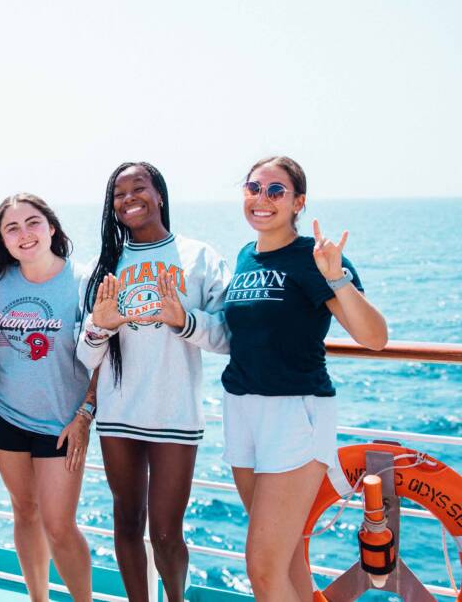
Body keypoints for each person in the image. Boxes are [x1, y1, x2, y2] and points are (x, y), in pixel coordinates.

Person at [222, 156, 386, 601]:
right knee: (287, 561)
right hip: (241, 410)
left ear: (299, 202)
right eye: (254, 188)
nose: (262, 199)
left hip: (295, 413)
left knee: (262, 569)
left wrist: (337, 278)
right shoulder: (244, 255)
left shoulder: (315, 258)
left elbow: (374, 337)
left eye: (276, 191)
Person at [77, 162, 230, 602]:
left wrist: (184, 320)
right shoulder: (102, 266)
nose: (129, 199)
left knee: (165, 533)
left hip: (174, 415)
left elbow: (228, 338)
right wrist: (100, 327)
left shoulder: (199, 257)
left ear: (159, 194)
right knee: (126, 522)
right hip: (119, 416)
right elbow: (85, 356)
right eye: (119, 194)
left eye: (138, 188)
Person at [0, 193, 93, 602]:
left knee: (60, 525)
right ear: (3, 240)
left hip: (61, 422)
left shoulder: (84, 280)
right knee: (24, 512)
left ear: (51, 228)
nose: (23, 234)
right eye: (11, 228)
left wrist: (86, 413)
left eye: (32, 223)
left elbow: (102, 357)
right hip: (5, 414)